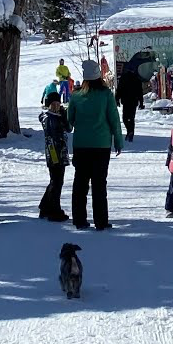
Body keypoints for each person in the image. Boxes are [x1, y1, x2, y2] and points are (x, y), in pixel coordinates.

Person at [67, 60, 123, 230]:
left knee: (80, 183)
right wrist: (118, 141)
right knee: (99, 184)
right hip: (101, 145)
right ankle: (101, 221)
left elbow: (70, 122)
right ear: (99, 75)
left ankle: (79, 219)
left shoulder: (76, 96)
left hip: (81, 145)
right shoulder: (106, 94)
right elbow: (114, 119)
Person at [38, 91, 71, 222]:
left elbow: (68, 129)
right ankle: (54, 209)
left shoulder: (58, 116)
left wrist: (64, 116)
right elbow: (53, 133)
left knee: (56, 181)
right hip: (53, 152)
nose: (57, 106)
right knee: (56, 181)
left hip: (61, 152)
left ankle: (45, 206)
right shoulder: (48, 117)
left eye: (58, 103)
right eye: (54, 104)